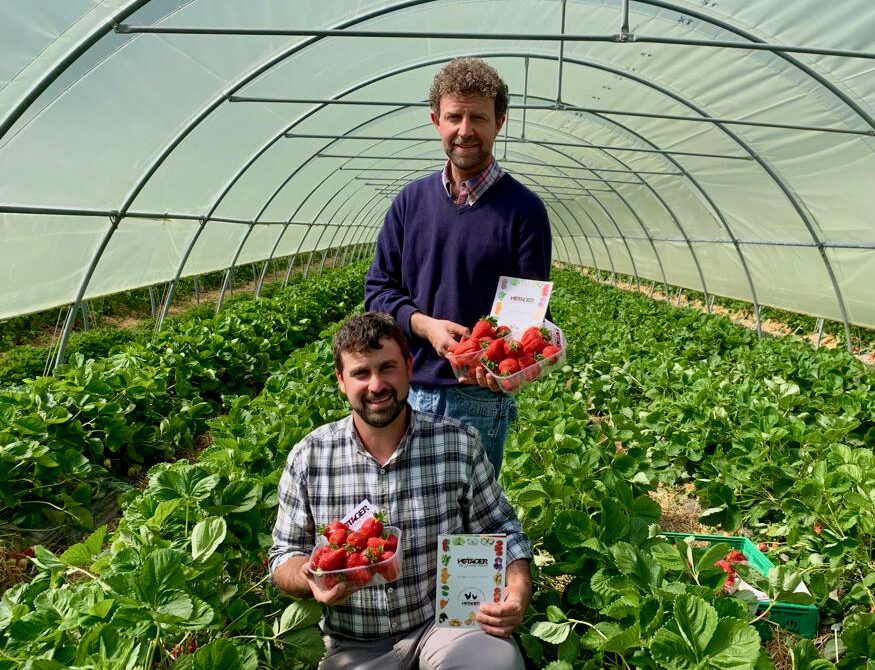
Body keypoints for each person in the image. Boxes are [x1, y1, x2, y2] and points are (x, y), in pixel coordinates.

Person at [268, 312, 532, 670]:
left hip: (449, 621)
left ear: (409, 367)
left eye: (387, 367)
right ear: (341, 381)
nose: (376, 385)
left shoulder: (457, 443)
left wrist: (517, 590)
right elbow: (283, 555)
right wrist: (311, 574)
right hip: (354, 641)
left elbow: (503, 530)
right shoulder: (309, 457)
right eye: (361, 373)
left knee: (495, 664)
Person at [364, 57, 552, 476]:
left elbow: (531, 316)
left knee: (469, 528)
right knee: (405, 514)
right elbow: (378, 290)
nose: (465, 131)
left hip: (478, 400)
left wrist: (511, 365)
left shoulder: (524, 211)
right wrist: (424, 325)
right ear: (436, 120)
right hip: (405, 391)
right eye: (454, 117)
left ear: (499, 122)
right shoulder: (410, 203)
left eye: (478, 118)